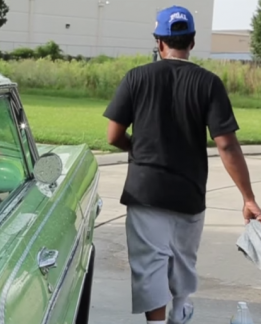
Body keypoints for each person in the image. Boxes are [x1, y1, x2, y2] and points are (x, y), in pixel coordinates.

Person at [103, 5, 261, 324]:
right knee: (182, 262)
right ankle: (181, 311)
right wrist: (248, 198)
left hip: (145, 191)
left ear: (159, 43)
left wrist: (137, 150)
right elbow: (226, 144)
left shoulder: (136, 77)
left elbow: (113, 136)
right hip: (189, 194)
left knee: (151, 266)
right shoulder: (208, 83)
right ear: (191, 42)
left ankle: (159, 321)